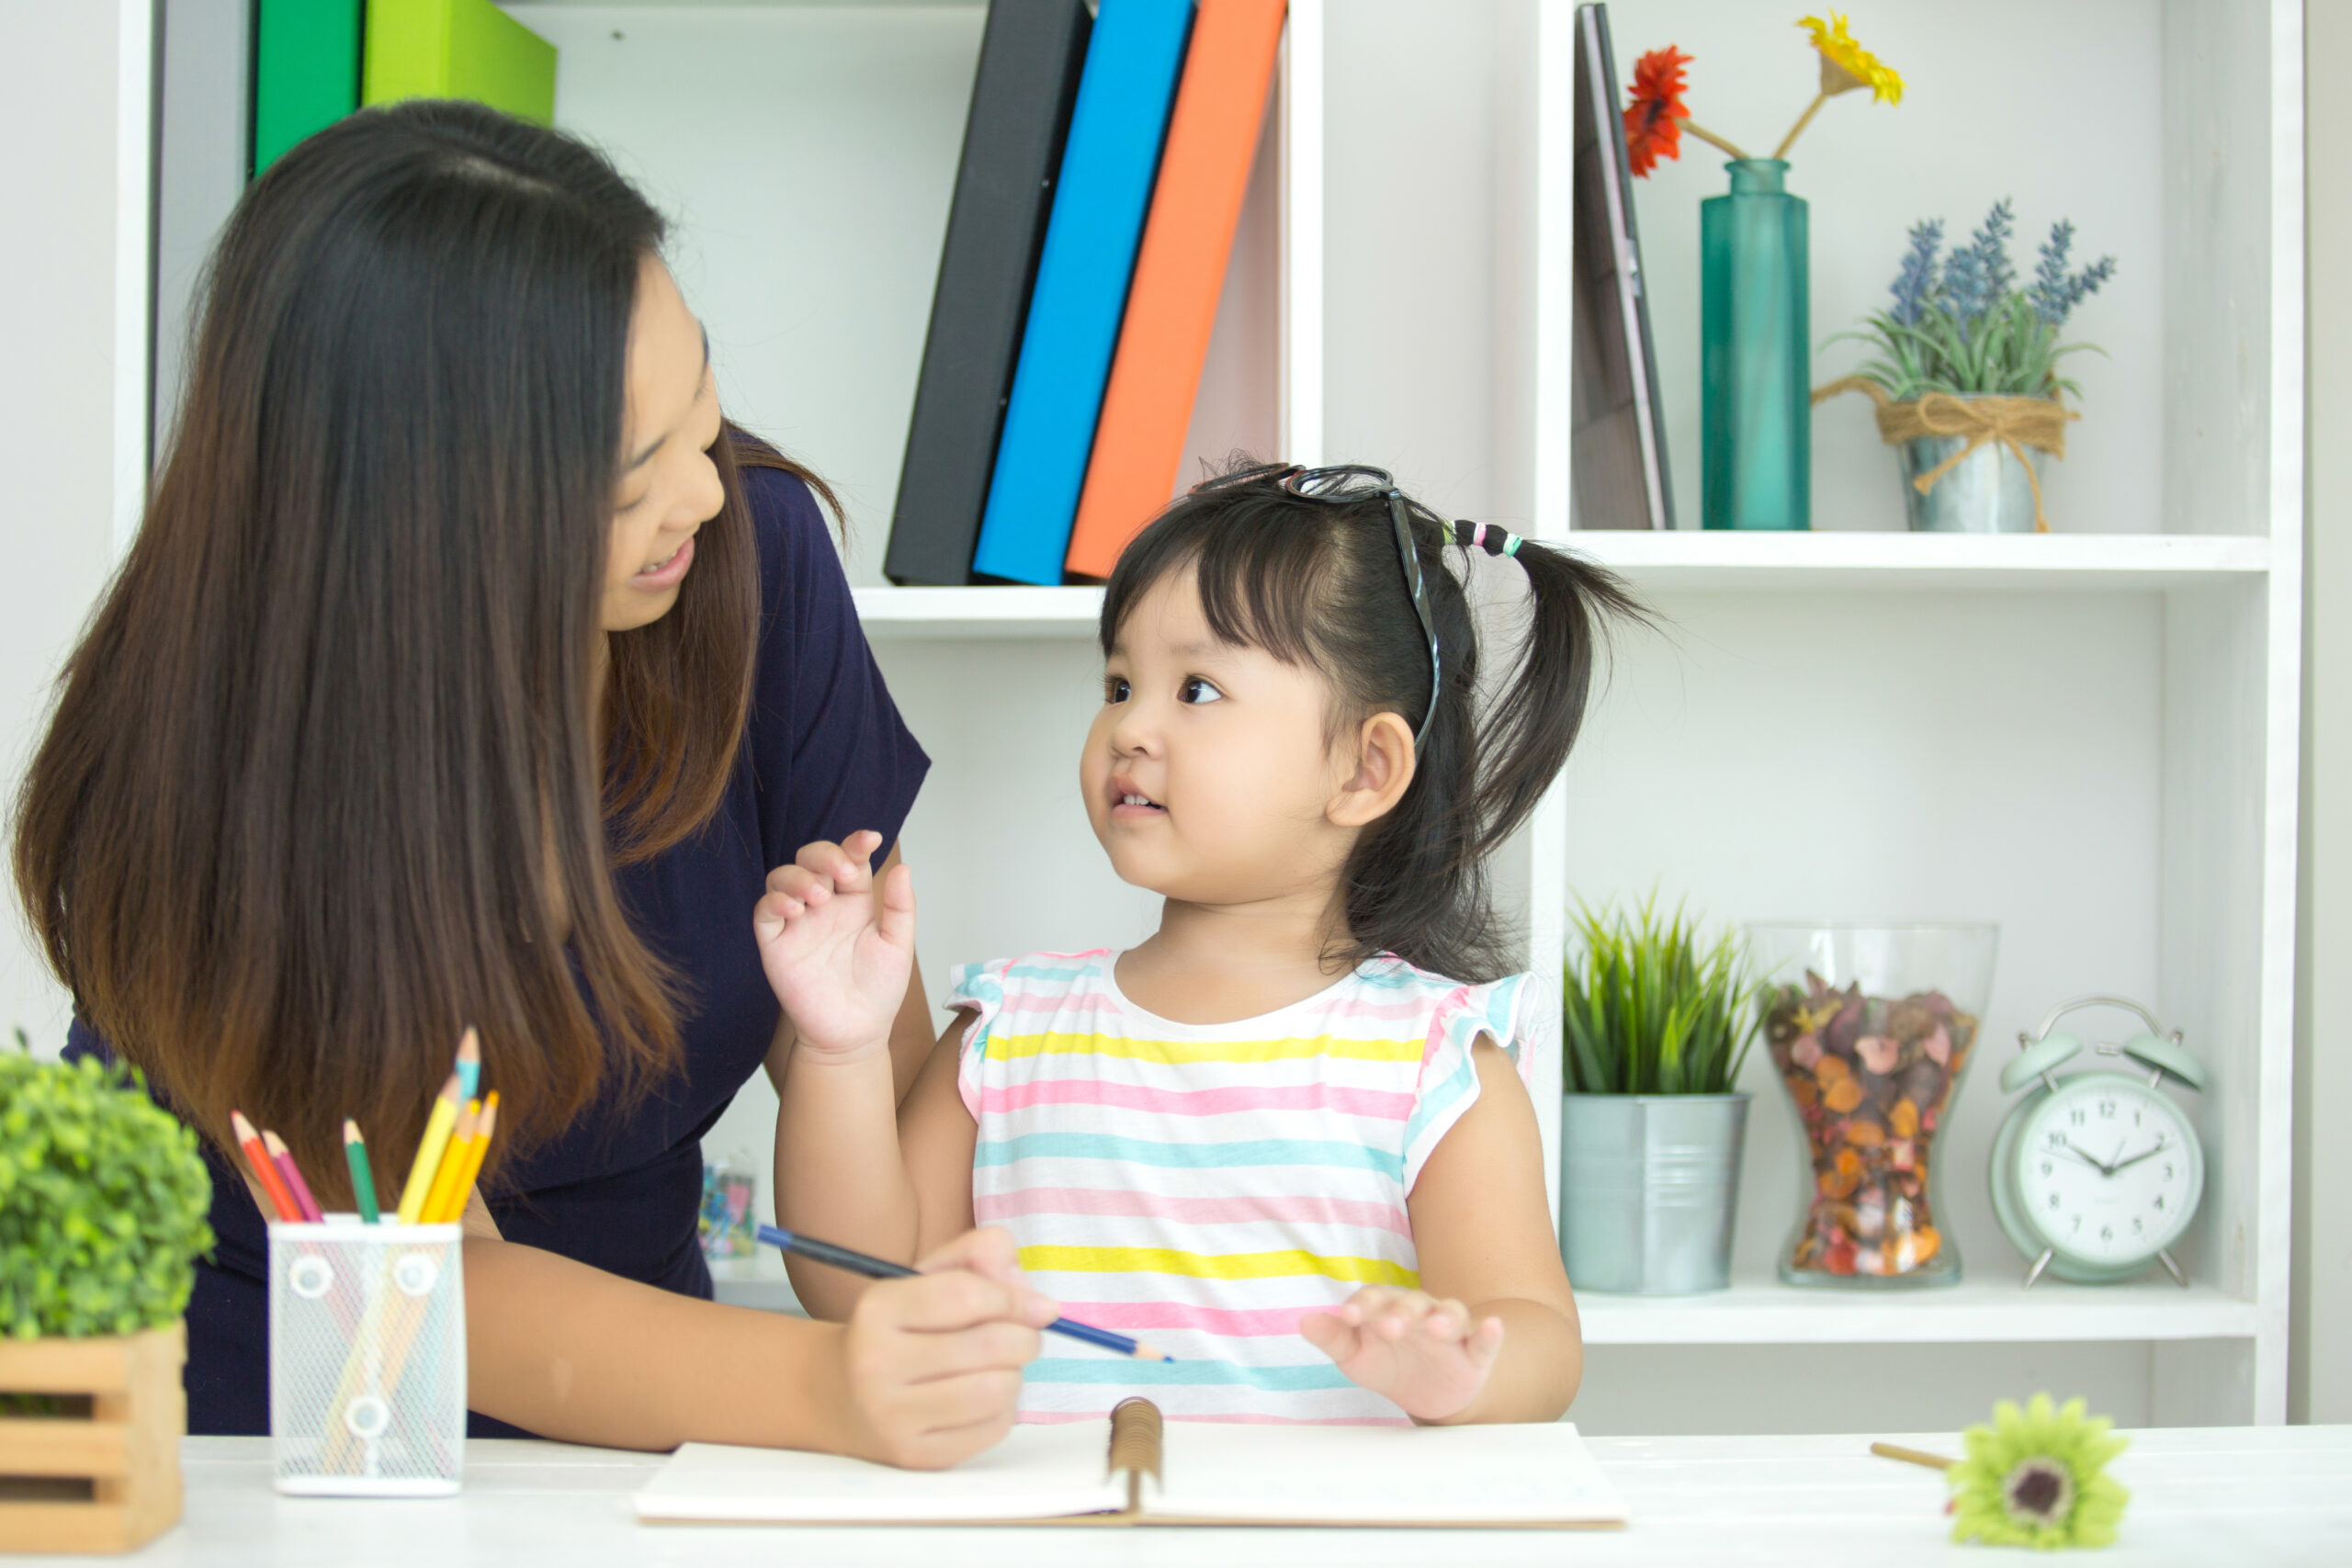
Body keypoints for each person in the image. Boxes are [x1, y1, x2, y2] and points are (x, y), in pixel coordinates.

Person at [13, 100, 1049, 1467]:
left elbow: (869, 1136)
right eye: (632, 478)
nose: (703, 491)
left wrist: (908, 1311)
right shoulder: (244, 778)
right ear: (434, 527)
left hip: (656, 1414)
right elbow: (437, 1283)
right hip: (282, 1439)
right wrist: (832, 1387)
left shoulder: (748, 565)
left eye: (702, 400)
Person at [758, 462, 1641, 1424]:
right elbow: (861, 1290)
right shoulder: (1008, 1033)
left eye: (1198, 689)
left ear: (1364, 767)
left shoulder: (1434, 1063)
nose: (1130, 725)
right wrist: (840, 1051)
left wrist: (1460, 1372)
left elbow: (1540, 1342)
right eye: (1120, 681)